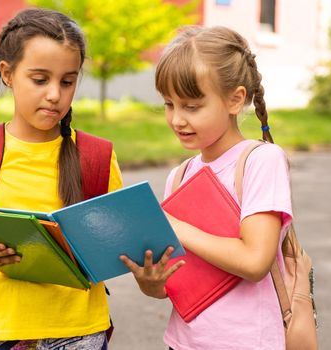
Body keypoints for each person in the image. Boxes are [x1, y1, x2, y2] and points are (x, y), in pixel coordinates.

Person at [0, 8, 123, 350]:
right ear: (7, 73)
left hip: (81, 330)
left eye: (67, 81)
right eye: (40, 80)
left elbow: (117, 246)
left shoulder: (97, 158)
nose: (55, 94)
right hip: (1, 330)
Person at [121, 26, 293, 349]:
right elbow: (175, 282)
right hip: (182, 342)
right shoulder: (180, 176)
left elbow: (255, 261)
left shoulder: (261, 161)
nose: (176, 120)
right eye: (169, 105)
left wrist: (174, 225)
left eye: (191, 106)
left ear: (235, 99)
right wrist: (150, 282)